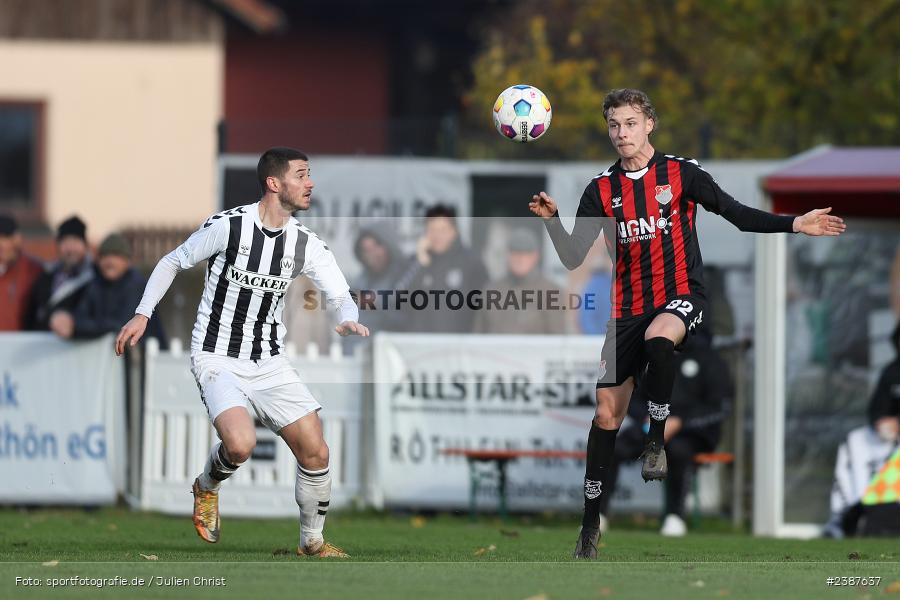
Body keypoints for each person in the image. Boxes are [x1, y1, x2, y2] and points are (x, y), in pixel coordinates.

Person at [528, 88, 846, 559]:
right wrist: (554, 221)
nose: (621, 133)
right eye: (614, 125)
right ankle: (589, 528)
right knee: (605, 416)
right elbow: (575, 254)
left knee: (662, 340)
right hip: (626, 311)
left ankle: (656, 439)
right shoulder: (600, 189)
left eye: (630, 123)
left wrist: (794, 223)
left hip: (681, 296)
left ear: (649, 123)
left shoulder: (681, 174)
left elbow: (737, 214)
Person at [115, 147, 368, 558]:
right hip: (216, 356)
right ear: (274, 183)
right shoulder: (229, 227)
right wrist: (142, 314)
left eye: (310, 175)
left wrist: (346, 315)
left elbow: (339, 291)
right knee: (240, 445)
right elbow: (171, 262)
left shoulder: (304, 242)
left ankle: (312, 543)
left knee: (316, 450)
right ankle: (207, 486)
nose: (310, 183)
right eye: (302, 175)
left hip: (268, 359)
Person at [596, 324, 730, 537]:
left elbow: (719, 407)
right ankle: (598, 515)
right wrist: (645, 418)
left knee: (676, 450)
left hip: (692, 433)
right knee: (613, 448)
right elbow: (633, 396)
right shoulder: (652, 355)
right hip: (652, 427)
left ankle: (675, 516)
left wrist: (680, 422)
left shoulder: (710, 360)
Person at [824, 320, 900, 538]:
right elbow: (877, 408)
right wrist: (882, 422)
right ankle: (850, 511)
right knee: (856, 440)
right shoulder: (892, 372)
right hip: (889, 440)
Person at [50, 233, 165, 346]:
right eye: (105, 256)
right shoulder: (95, 284)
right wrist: (67, 320)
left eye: (116, 255)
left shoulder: (136, 285)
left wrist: (75, 326)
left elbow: (123, 325)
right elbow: (82, 314)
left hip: (150, 359)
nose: (110, 261)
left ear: (127, 261)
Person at [397, 204, 488, 333]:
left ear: (454, 231)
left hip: (459, 345)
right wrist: (421, 264)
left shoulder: (471, 263)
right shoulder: (415, 262)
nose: (437, 236)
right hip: (420, 345)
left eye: (443, 230)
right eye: (432, 230)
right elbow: (400, 302)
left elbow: (483, 309)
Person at [473, 227, 566, 334]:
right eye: (515, 253)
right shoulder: (491, 290)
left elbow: (559, 339)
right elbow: (478, 335)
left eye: (526, 254)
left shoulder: (551, 292)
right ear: (507, 256)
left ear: (535, 256)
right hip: (495, 350)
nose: (520, 259)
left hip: (534, 350)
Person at [343, 222, 407, 353]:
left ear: (388, 245)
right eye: (366, 250)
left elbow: (405, 315)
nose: (372, 254)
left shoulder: (405, 276)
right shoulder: (361, 280)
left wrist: (373, 301)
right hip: (358, 355)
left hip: (391, 355)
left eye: (376, 247)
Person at [27, 216, 94, 331]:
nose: (70, 248)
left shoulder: (95, 278)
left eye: (75, 241)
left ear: (85, 245)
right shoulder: (45, 275)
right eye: (65, 242)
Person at [0, 214, 43, 331]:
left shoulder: (33, 270)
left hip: (21, 344)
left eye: (6, 237)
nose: (2, 244)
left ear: (17, 239)